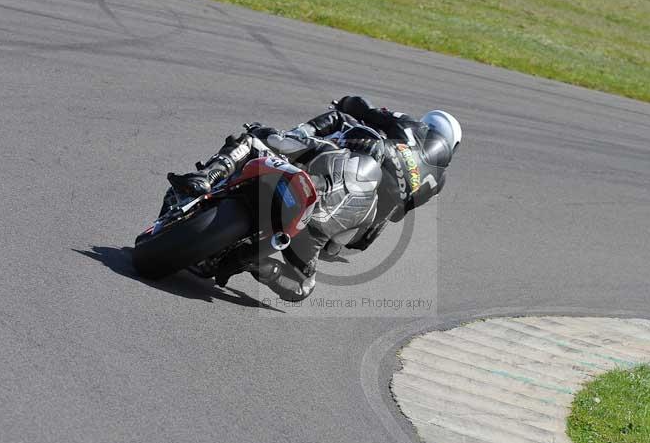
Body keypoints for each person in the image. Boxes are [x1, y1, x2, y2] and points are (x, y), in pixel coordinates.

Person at [167, 96, 462, 301]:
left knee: (258, 136)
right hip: (343, 224)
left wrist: (345, 105)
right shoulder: (435, 184)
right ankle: (250, 259)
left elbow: (362, 108)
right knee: (301, 287)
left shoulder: (412, 127)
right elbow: (393, 217)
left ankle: (208, 177)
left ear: (431, 125)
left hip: (334, 168)